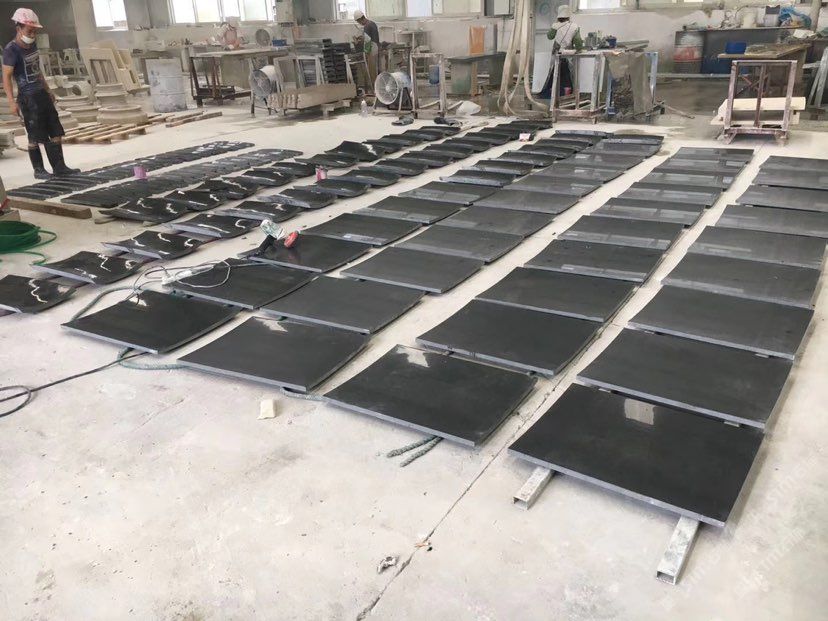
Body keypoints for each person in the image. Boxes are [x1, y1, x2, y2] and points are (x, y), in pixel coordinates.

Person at [2, 8, 79, 179]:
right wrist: (11, 102)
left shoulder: (32, 45)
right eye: (29, 31)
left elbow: (37, 70)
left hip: (41, 94)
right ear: (19, 28)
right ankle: (39, 170)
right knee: (35, 135)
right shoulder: (11, 50)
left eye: (34, 31)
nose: (32, 34)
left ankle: (59, 167)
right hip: (28, 98)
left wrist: (48, 89)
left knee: (56, 130)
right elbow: (6, 77)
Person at [543, 5, 583, 97]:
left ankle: (553, 93)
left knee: (554, 74)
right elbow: (578, 42)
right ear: (569, 15)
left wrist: (555, 26)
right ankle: (568, 94)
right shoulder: (574, 26)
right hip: (568, 54)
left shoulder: (555, 26)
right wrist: (579, 49)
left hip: (556, 54)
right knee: (568, 75)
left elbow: (549, 37)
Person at [354, 9, 380, 85]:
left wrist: (366, 52)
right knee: (376, 69)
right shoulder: (372, 23)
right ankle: (377, 86)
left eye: (358, 22)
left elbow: (368, 42)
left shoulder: (367, 26)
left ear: (360, 19)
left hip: (372, 49)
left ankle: (375, 88)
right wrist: (363, 38)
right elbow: (372, 37)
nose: (359, 23)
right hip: (376, 47)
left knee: (372, 71)